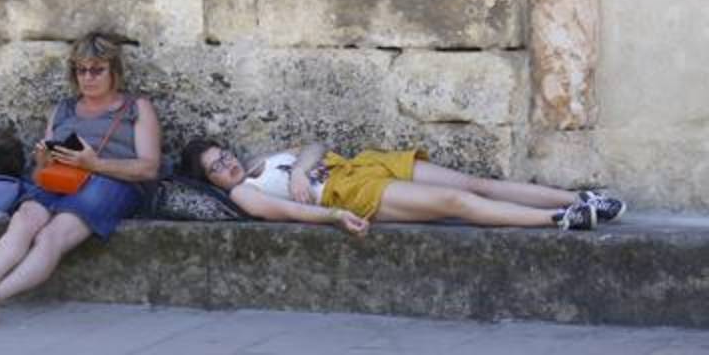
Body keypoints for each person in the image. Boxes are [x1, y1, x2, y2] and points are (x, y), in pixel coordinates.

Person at [0, 33, 162, 324]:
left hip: (113, 182)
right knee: (26, 217)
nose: (88, 77)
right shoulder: (62, 110)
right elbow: (37, 175)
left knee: (51, 234)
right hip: (63, 181)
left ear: (114, 72)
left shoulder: (135, 108)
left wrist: (94, 163)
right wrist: (43, 161)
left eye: (97, 70)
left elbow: (149, 168)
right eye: (81, 70)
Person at [180, 138, 625, 235]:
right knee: (457, 202)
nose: (228, 164)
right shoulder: (243, 194)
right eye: (216, 167)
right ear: (210, 182)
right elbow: (289, 213)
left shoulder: (260, 160)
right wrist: (335, 215)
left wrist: (297, 170)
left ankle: (581, 197)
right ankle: (557, 218)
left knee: (476, 182)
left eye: (224, 155)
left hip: (363, 165)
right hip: (349, 194)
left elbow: (314, 147)